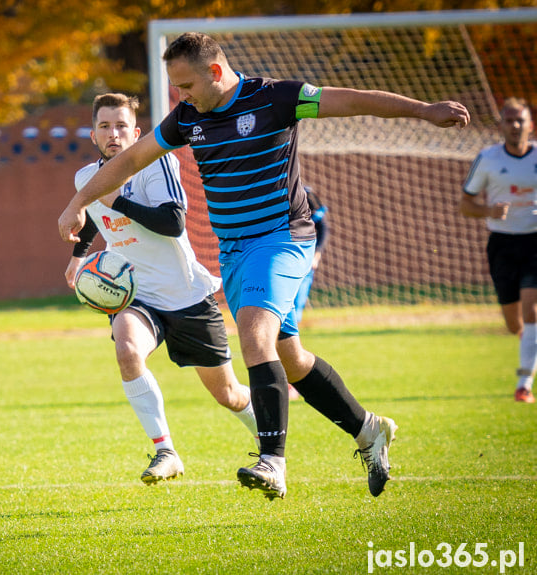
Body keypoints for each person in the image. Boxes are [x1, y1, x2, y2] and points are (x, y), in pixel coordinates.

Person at [59, 32, 470, 499]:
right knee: (291, 359)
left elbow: (353, 101)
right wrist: (78, 202)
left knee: (254, 333)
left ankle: (272, 461)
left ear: (215, 72)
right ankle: (369, 429)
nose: (180, 97)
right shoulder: (188, 119)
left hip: (281, 239)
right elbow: (131, 159)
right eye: (176, 88)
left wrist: (423, 110)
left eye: (186, 85)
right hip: (233, 251)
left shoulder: (276, 98)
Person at [66, 93, 259, 484]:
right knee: (127, 349)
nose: (113, 133)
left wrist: (118, 199)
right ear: (93, 135)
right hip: (137, 295)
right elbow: (91, 217)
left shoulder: (157, 164)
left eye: (121, 126)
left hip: (187, 295)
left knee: (229, 395)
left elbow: (173, 222)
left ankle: (270, 441)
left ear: (136, 133)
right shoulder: (86, 179)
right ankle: (165, 450)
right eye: (105, 126)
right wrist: (78, 254)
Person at [461, 98, 537, 404]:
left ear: (530, 124)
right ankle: (528, 342)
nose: (515, 126)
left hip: (535, 240)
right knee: (513, 322)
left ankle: (524, 384)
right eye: (509, 120)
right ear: (501, 125)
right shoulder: (488, 158)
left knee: (532, 309)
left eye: (520, 120)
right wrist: (489, 210)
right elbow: (465, 205)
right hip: (503, 245)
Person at [288, 185, 329, 400]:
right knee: (283, 319)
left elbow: (323, 228)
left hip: (303, 268)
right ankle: (286, 379)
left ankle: (291, 379)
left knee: (292, 318)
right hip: (284, 265)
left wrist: (317, 254)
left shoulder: (309, 200)